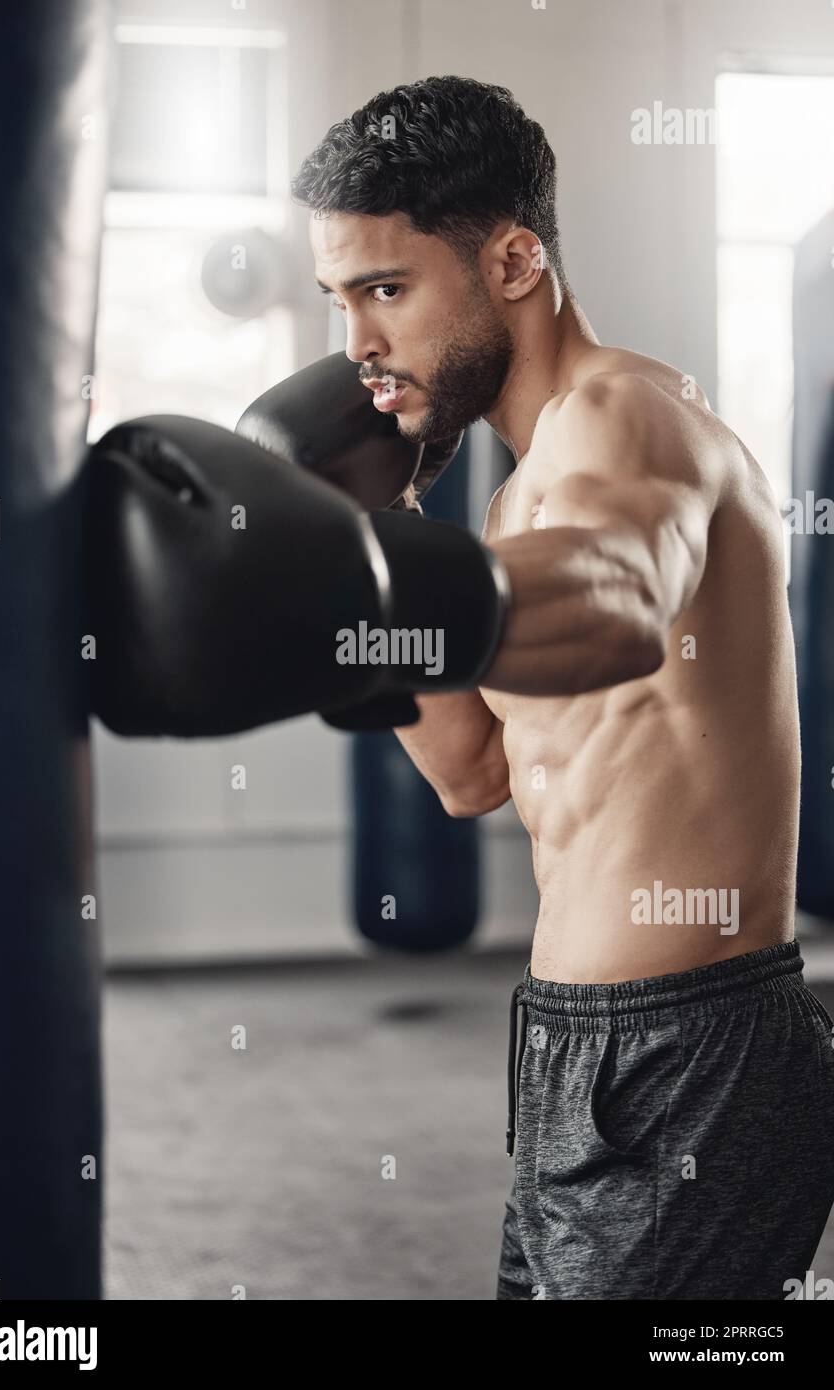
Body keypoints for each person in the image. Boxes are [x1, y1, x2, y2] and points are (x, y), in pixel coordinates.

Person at [290, 74, 834, 1299]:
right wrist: (360, 544)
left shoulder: (630, 421)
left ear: (516, 260)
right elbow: (472, 772)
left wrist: (389, 581)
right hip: (567, 1038)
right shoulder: (505, 499)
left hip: (694, 1043)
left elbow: (618, 601)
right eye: (340, 302)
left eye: (385, 290)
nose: (358, 349)